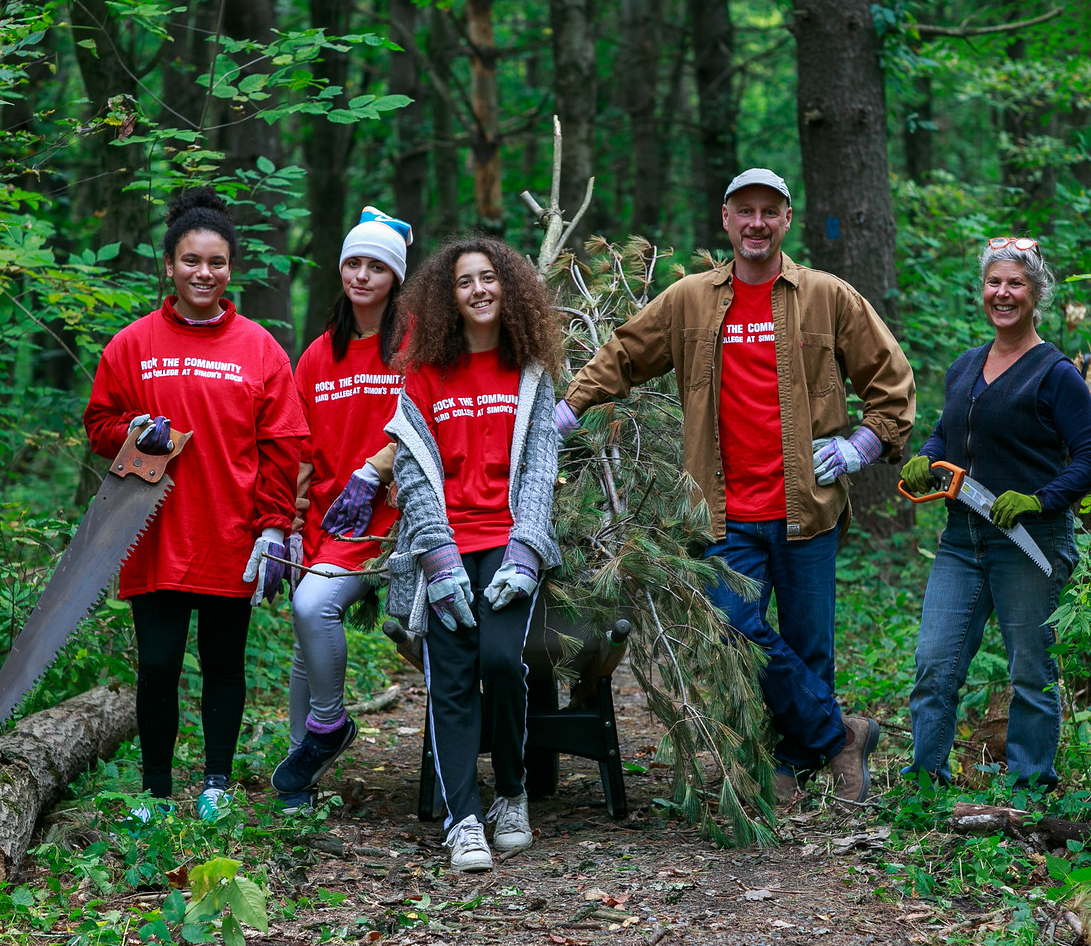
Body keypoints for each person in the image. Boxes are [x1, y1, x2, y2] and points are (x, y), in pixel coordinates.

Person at [558, 168, 915, 804]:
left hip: (807, 505)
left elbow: (890, 375)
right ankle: (843, 737)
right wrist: (572, 405)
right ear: (725, 219)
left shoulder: (827, 295)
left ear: (786, 221)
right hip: (721, 511)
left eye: (769, 212)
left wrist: (862, 445)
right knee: (732, 626)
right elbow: (624, 353)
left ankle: (792, 764)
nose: (756, 223)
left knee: (809, 649)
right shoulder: (691, 299)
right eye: (744, 211)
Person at [83, 187, 306, 822]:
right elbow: (99, 422)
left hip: (230, 535)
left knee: (221, 663)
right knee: (156, 665)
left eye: (215, 262)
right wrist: (133, 431)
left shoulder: (259, 349)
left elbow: (283, 445)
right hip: (153, 536)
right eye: (190, 261)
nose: (202, 273)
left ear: (230, 268)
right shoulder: (132, 345)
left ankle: (215, 783)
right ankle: (155, 791)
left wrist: (274, 528)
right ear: (170, 266)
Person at [384, 237, 563, 872]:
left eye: (489, 279)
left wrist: (525, 553)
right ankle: (463, 819)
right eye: (465, 282)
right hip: (446, 548)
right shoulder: (425, 374)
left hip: (507, 544)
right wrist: (436, 560)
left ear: (508, 289)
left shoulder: (530, 373)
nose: (479, 290)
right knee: (452, 678)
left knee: (501, 661)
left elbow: (541, 468)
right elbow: (409, 471)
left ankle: (511, 794)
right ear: (447, 297)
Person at [901, 237, 1091, 789]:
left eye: (1016, 283)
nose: (1003, 293)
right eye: (995, 282)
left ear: (1036, 293)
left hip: (1028, 541)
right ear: (981, 292)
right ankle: (925, 783)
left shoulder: (1055, 372)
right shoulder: (966, 366)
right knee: (934, 665)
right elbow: (950, 432)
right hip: (961, 538)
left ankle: (1030, 789)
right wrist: (926, 456)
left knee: (1031, 673)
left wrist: (1040, 500)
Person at [270, 207, 413, 810]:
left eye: (376, 266)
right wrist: (290, 525)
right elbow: (301, 450)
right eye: (353, 262)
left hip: (389, 524)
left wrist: (373, 472)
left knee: (313, 606)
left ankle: (328, 726)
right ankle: (302, 776)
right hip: (329, 520)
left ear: (396, 279)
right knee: (307, 634)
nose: (361, 275)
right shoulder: (317, 355)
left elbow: (423, 425)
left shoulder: (413, 347)